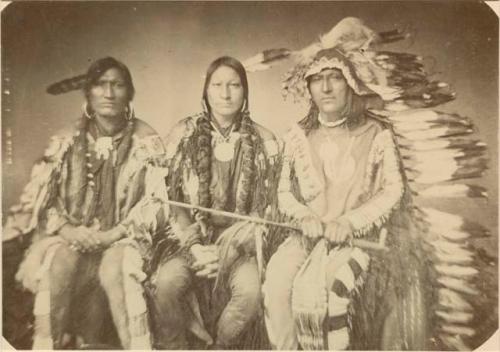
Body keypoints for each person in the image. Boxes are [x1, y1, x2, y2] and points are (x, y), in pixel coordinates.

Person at [2, 57, 170, 349]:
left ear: (129, 94)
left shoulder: (146, 139)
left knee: (119, 268)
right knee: (57, 265)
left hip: (127, 238)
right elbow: (44, 198)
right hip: (74, 235)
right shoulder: (66, 138)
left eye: (117, 85)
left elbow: (156, 201)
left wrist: (115, 234)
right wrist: (68, 230)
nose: (109, 93)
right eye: (101, 85)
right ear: (88, 93)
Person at [262, 45, 410, 350]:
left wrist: (349, 221)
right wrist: (304, 216)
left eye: (334, 78)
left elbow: (393, 188)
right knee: (276, 283)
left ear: (350, 83)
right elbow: (283, 191)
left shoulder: (376, 132)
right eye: (317, 79)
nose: (326, 87)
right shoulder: (298, 135)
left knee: (332, 287)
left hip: (356, 238)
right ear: (308, 88)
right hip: (306, 235)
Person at [150, 56, 280, 349]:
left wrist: (229, 251)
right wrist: (195, 246)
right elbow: (173, 201)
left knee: (250, 293)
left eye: (234, 85)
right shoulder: (183, 135)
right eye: (217, 85)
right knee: (167, 283)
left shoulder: (264, 141)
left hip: (241, 247)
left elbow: (265, 211)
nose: (225, 94)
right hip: (190, 241)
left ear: (245, 92)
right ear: (205, 91)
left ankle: (219, 345)